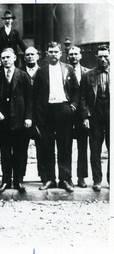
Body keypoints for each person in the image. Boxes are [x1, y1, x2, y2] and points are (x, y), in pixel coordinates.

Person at [33, 41, 79, 192]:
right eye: (50, 51)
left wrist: (72, 107)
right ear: (47, 53)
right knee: (47, 147)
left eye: (56, 52)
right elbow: (36, 94)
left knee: (64, 147)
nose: (53, 54)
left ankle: (65, 180)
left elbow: (76, 91)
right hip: (47, 112)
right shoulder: (41, 71)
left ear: (60, 53)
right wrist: (38, 115)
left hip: (63, 110)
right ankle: (50, 179)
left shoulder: (68, 69)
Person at [0, 48, 32, 193]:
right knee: (5, 152)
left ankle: (18, 181)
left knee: (20, 152)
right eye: (3, 58)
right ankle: (6, 181)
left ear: (14, 58)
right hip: (3, 123)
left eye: (8, 57)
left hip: (20, 121)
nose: (5, 60)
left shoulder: (23, 75)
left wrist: (28, 117)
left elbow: (29, 98)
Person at [80, 45, 110, 192]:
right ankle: (97, 180)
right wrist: (85, 117)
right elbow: (83, 98)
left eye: (106, 56)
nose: (103, 59)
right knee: (95, 149)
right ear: (96, 58)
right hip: (95, 116)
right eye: (100, 57)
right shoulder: (88, 75)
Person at [67, 46, 90, 188]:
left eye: (76, 54)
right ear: (67, 56)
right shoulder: (64, 71)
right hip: (68, 115)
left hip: (83, 116)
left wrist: (86, 115)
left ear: (80, 56)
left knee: (82, 147)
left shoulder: (87, 72)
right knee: (66, 147)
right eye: (71, 54)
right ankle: (67, 177)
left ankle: (81, 177)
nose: (74, 57)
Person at [21, 46, 45, 182]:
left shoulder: (43, 72)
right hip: (23, 116)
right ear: (24, 57)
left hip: (40, 116)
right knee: (21, 146)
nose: (30, 57)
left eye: (32, 54)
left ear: (37, 56)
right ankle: (20, 176)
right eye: (27, 55)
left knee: (41, 147)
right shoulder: (19, 72)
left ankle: (43, 175)